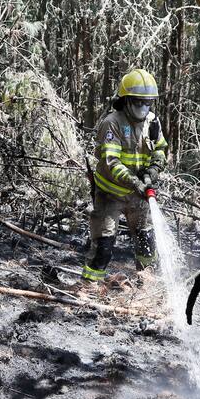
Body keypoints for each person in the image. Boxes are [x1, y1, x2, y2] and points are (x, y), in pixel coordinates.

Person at [81, 69, 169, 284]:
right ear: (126, 101)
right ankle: (89, 286)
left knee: (146, 241)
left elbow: (160, 149)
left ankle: (146, 283)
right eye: (139, 103)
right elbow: (112, 162)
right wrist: (135, 181)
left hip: (138, 196)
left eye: (147, 103)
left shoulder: (152, 122)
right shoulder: (112, 123)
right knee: (104, 244)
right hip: (110, 194)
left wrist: (154, 170)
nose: (143, 108)